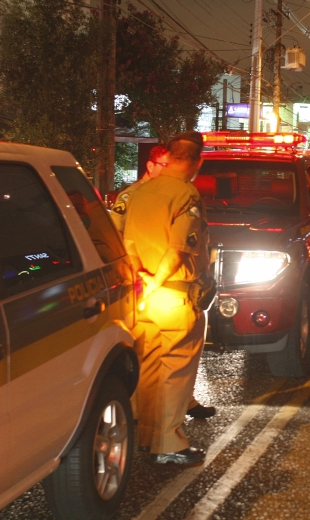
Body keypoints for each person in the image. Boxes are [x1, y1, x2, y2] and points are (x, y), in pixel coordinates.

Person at [121, 131, 210, 465]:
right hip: (173, 296)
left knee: (147, 368)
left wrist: (141, 277)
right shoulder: (186, 195)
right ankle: (168, 444)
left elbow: (124, 239)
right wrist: (157, 282)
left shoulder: (139, 191)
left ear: (169, 156)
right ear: (197, 162)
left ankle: (145, 437)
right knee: (175, 372)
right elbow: (176, 251)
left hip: (141, 297)